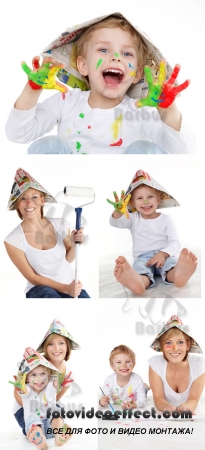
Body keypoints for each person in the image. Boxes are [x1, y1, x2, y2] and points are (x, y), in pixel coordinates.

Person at [5, 13, 195, 154]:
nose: (115, 57)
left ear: (137, 74)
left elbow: (183, 152)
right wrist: (32, 90)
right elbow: (17, 134)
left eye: (127, 53)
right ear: (83, 66)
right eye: (103, 49)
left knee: (146, 150)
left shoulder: (139, 112)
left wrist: (167, 109)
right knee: (48, 147)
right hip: (70, 186)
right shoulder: (65, 101)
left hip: (125, 194)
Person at [108, 169, 197, 295]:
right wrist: (118, 211)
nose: (145, 201)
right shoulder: (132, 218)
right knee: (141, 270)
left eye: (150, 196)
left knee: (171, 266)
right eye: (139, 198)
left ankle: (178, 274)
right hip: (142, 258)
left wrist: (162, 254)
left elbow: (175, 243)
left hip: (165, 257)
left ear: (159, 199)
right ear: (132, 202)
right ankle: (138, 282)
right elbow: (115, 222)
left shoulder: (166, 219)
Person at [4, 168, 90, 298]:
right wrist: (66, 289)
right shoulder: (13, 240)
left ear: (42, 200)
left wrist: (74, 243)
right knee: (50, 296)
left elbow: (68, 259)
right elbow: (32, 277)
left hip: (69, 283)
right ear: (17, 205)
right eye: (22, 198)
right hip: (40, 289)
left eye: (34, 197)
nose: (29, 202)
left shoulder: (60, 224)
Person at [13, 319, 80, 435]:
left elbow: (56, 398)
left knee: (56, 413)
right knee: (34, 427)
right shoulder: (34, 363)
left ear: (68, 347)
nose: (56, 348)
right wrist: (32, 411)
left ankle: (58, 431)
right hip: (24, 406)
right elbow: (16, 393)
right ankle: (35, 432)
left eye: (61, 343)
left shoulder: (67, 373)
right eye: (51, 344)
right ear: (45, 348)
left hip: (46, 405)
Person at [10, 347, 72, 448]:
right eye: (33, 375)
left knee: (55, 413)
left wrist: (60, 380)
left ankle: (59, 433)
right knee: (33, 420)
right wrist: (20, 386)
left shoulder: (49, 387)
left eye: (43, 374)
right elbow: (23, 391)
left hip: (50, 426)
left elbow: (55, 385)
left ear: (48, 375)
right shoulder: (28, 390)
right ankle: (39, 438)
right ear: (27, 379)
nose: (39, 379)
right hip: (34, 424)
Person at [148, 315, 205, 412]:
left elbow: (193, 400)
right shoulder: (155, 364)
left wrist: (186, 407)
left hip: (191, 416)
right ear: (162, 346)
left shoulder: (199, 364)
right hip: (163, 415)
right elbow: (158, 398)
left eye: (180, 342)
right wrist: (168, 407)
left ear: (188, 345)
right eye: (168, 343)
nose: (175, 348)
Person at [99, 345, 147, 410]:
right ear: (112, 366)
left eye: (128, 362)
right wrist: (101, 402)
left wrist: (134, 404)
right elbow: (104, 398)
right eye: (119, 362)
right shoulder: (109, 381)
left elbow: (142, 400)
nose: (124, 365)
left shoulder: (137, 379)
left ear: (133, 364)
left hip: (136, 394)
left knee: (144, 390)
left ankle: (146, 387)